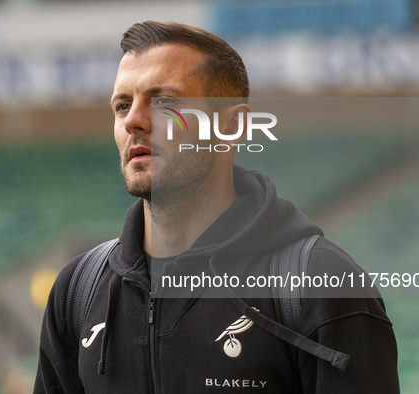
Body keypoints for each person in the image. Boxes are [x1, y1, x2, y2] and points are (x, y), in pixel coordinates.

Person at [34, 21, 399, 393]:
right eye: (123, 105)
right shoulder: (78, 290)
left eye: (164, 102)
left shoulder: (321, 287)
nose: (134, 122)